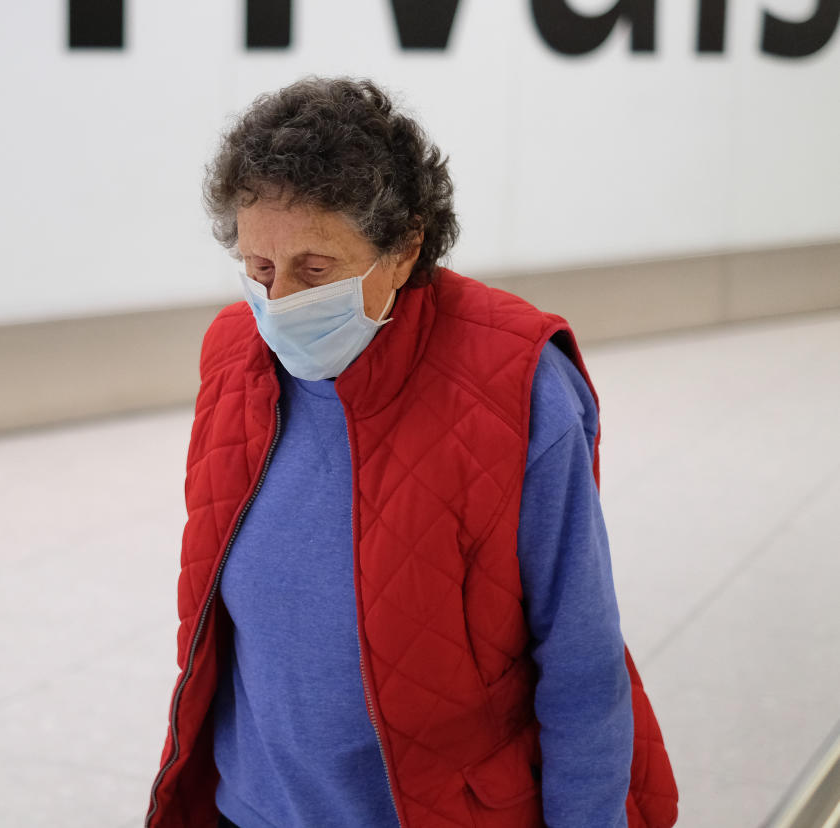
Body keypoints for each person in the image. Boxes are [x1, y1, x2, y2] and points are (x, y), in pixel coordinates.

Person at [145, 77, 678, 828]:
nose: (282, 300)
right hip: (251, 808)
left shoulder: (517, 386)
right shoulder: (234, 356)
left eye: (316, 269)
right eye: (260, 269)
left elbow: (581, 664)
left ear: (405, 247)